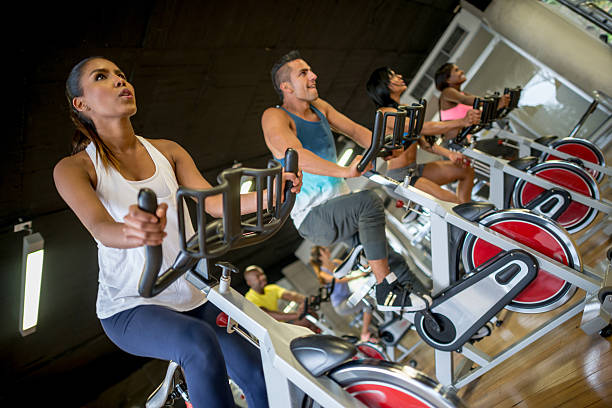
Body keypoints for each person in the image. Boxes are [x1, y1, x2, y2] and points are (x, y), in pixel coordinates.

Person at [53, 57, 301, 408]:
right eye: (102, 77)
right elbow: (101, 228)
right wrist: (133, 230)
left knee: (261, 375)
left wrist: (270, 194)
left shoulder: (167, 150)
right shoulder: (74, 168)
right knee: (197, 343)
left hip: (190, 295)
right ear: (82, 104)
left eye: (122, 75)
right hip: (132, 306)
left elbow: (213, 202)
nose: (120, 81)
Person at [261, 50, 431, 314]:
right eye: (303, 73)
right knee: (368, 201)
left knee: (389, 257)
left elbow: (353, 130)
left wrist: (379, 148)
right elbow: (297, 156)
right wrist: (344, 171)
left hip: (340, 207)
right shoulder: (275, 116)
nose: (313, 75)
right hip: (313, 218)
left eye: (311, 70)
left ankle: (433, 309)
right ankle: (385, 288)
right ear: (286, 86)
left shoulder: (320, 107)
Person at [366, 67, 481, 204]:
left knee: (466, 171)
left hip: (415, 169)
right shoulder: (386, 114)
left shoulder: (404, 108)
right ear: (386, 86)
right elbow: (423, 128)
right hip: (400, 178)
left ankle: (466, 215)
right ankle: (462, 214)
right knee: (452, 201)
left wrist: (449, 154)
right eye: (393, 76)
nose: (400, 76)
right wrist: (462, 121)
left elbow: (425, 143)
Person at [309, 245, 378, 342]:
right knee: (369, 301)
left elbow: (352, 266)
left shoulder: (336, 262)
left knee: (369, 297)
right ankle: (364, 333)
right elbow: (339, 280)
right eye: (324, 250)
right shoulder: (322, 274)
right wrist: (360, 276)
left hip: (349, 296)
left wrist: (365, 266)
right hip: (341, 305)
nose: (328, 250)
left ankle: (371, 335)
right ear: (320, 257)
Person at [244, 265, 320, 332]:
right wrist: (296, 315)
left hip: (281, 325)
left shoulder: (271, 288)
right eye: (258, 276)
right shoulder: (249, 298)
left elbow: (291, 295)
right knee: (306, 320)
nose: (263, 277)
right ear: (249, 282)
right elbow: (268, 315)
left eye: (262, 274)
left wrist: (307, 300)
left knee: (311, 316)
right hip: (270, 332)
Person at [435, 62, 509, 126]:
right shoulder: (447, 92)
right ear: (448, 79)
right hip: (456, 140)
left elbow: (479, 103)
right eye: (456, 70)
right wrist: (496, 102)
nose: (462, 72)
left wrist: (498, 103)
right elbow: (465, 100)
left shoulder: (462, 93)